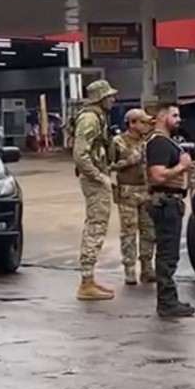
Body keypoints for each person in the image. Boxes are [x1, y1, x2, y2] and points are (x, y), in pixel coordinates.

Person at [145, 101, 195, 317]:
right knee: (167, 255)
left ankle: (169, 300)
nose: (178, 120)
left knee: (169, 254)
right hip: (165, 203)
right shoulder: (158, 143)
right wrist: (181, 167)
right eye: (174, 116)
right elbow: (157, 175)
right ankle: (167, 302)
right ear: (161, 117)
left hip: (171, 201)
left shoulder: (167, 142)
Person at [73, 79, 118, 301]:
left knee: (97, 226)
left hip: (98, 176)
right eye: (109, 96)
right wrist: (99, 177)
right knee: (96, 227)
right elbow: (80, 154)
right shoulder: (90, 119)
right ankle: (86, 282)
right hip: (95, 180)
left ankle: (89, 279)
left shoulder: (97, 117)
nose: (113, 99)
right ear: (100, 98)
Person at [112, 108, 157, 286]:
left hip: (146, 190)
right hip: (128, 192)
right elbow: (107, 165)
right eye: (142, 122)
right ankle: (129, 269)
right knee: (129, 233)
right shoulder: (118, 142)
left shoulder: (148, 141)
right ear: (132, 123)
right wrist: (126, 162)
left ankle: (147, 267)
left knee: (149, 231)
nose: (146, 126)